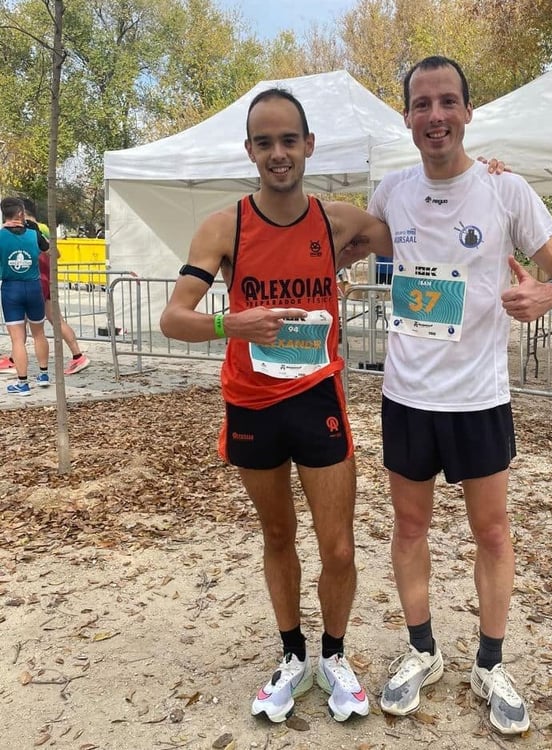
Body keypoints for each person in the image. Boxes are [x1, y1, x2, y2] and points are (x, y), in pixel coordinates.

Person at [159, 88, 394, 725]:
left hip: (317, 397)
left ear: (309, 145)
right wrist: (231, 324)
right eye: (264, 143)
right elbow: (173, 318)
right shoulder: (224, 227)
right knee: (278, 535)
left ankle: (334, 656)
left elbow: (412, 229)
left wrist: (480, 177)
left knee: (338, 548)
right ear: (250, 151)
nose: (278, 153)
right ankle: (293, 656)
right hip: (253, 403)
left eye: (289, 140)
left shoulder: (335, 221)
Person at [366, 56, 552, 735]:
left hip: (478, 397)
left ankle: (490, 663)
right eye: (421, 104)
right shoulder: (390, 192)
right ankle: (423, 651)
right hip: (407, 393)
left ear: (467, 111)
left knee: (491, 531)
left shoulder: (506, 189)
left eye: (447, 102)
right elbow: (338, 243)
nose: (435, 115)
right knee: (409, 529)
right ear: (407, 117)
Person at [22, 198, 90, 375]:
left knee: (22, 321)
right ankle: (78, 355)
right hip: (47, 277)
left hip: (36, 278)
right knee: (55, 318)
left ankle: (16, 360)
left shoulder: (28, 229)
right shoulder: (43, 228)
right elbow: (55, 252)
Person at [0, 197, 51, 395]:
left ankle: (23, 383)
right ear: (21, 213)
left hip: (10, 288)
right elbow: (54, 253)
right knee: (39, 333)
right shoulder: (34, 235)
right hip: (34, 287)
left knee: (17, 339)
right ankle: (44, 374)